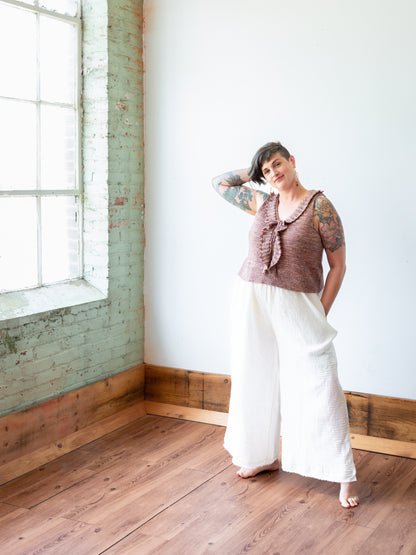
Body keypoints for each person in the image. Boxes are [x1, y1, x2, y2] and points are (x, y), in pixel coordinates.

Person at [212, 141, 359, 509]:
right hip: (251, 297)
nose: (274, 173)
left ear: (292, 162)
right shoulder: (263, 204)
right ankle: (261, 455)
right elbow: (220, 184)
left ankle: (344, 474)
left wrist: (321, 310)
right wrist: (254, 168)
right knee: (255, 374)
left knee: (320, 378)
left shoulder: (319, 206)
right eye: (266, 171)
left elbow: (338, 266)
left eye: (277, 164)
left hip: (298, 303)